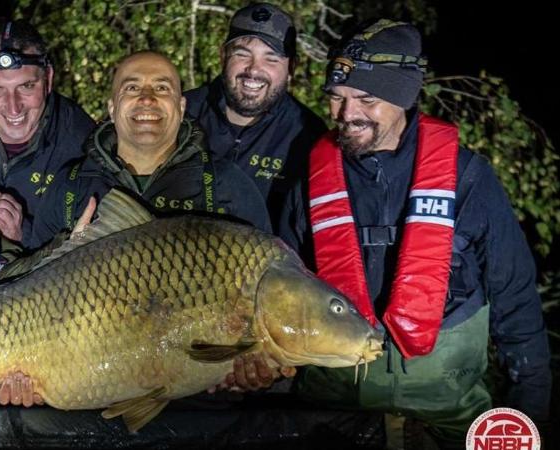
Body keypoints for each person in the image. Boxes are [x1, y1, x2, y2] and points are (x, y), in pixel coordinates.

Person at [277, 19, 551, 448]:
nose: (347, 115)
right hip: (334, 413)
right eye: (336, 98)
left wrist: (528, 411)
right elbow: (278, 295)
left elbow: (515, 296)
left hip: (449, 411)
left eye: (366, 98)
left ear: (403, 97)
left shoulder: (468, 178)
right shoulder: (308, 182)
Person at [29, 51, 271, 249]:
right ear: (112, 109)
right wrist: (63, 253)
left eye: (162, 88)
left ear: (182, 106)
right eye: (132, 88)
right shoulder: (69, 186)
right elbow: (23, 283)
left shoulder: (228, 187)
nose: (147, 99)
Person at [184, 2, 327, 234]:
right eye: (242, 54)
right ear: (223, 56)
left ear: (292, 68)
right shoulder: (180, 113)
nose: (253, 70)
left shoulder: (308, 136)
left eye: (271, 59)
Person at [0, 18, 96, 247]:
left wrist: (22, 236)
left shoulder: (83, 143)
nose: (14, 107)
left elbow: (94, 255)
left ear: (48, 80)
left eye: (26, 86)